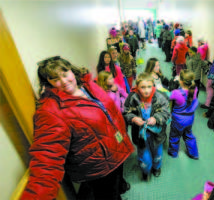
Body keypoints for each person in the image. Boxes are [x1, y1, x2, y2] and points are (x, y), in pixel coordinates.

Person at [20, 56, 134, 200]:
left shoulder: (87, 84)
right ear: (47, 82)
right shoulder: (51, 111)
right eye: (55, 79)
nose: (63, 82)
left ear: (71, 71)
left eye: (65, 74)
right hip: (99, 168)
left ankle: (120, 187)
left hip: (116, 150)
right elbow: (47, 159)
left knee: (116, 186)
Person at [124, 73, 170, 181]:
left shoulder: (160, 97)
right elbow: (126, 112)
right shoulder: (133, 98)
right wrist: (134, 119)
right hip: (141, 136)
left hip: (157, 135)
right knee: (144, 157)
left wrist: (156, 118)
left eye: (149, 87)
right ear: (137, 87)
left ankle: (156, 167)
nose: (146, 90)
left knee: (158, 154)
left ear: (153, 86)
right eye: (143, 87)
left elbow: (166, 112)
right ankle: (145, 171)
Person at [168, 69, 199, 159]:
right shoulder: (194, 89)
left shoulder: (176, 93)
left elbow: (168, 96)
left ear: (181, 81)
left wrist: (173, 85)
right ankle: (194, 154)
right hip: (190, 118)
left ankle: (173, 153)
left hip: (178, 120)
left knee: (174, 136)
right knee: (188, 135)